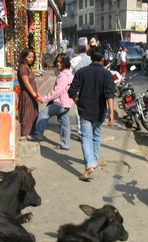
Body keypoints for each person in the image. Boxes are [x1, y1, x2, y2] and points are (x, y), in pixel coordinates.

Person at [68, 47, 115, 181]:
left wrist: (78, 102)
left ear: (91, 58)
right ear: (102, 59)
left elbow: (72, 91)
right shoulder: (107, 75)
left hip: (84, 110)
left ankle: (90, 164)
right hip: (99, 112)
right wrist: (111, 114)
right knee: (96, 136)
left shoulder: (82, 72)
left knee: (86, 138)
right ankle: (93, 161)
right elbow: (109, 95)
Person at [31, 53, 74, 150]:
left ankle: (38, 135)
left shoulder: (63, 75)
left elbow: (57, 92)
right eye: (57, 61)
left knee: (44, 113)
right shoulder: (68, 73)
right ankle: (65, 144)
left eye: (61, 62)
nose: (58, 64)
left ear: (65, 63)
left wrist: (44, 99)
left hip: (61, 103)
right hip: (66, 103)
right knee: (64, 123)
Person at [70, 38, 92, 138]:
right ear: (86, 47)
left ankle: (81, 131)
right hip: (90, 89)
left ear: (77, 47)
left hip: (78, 90)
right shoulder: (90, 60)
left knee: (78, 111)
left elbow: (71, 76)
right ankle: (88, 130)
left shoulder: (73, 61)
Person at [17, 48, 40, 139]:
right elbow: (26, 83)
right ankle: (25, 133)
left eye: (32, 57)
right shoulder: (22, 67)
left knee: (33, 113)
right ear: (24, 57)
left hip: (32, 94)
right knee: (27, 114)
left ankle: (32, 132)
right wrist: (35, 95)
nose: (31, 59)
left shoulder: (28, 67)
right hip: (27, 95)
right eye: (29, 57)